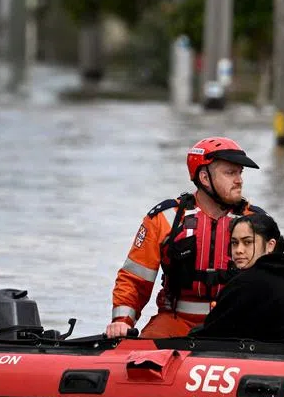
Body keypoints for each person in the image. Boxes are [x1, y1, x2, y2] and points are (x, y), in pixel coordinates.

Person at [107, 137, 265, 339]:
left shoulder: (257, 222)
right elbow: (135, 279)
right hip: (175, 322)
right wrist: (121, 322)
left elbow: (279, 282)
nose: (239, 180)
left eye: (240, 173)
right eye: (230, 173)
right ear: (204, 177)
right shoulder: (165, 218)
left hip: (237, 322)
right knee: (142, 351)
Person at [189, 215, 284, 351]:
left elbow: (212, 334)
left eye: (247, 242)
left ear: (270, 245)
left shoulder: (249, 282)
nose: (238, 250)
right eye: (234, 243)